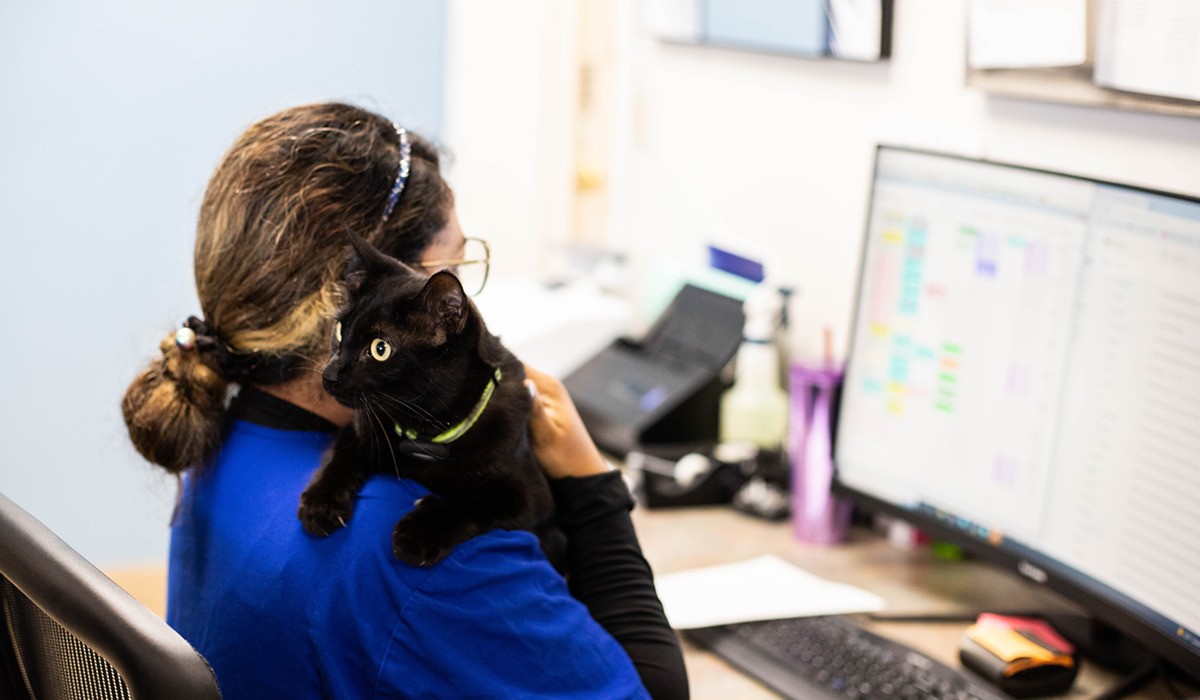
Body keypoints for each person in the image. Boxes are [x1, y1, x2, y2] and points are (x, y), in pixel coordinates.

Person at [121, 102, 688, 699]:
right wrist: (590, 486)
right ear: (383, 289)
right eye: (456, 267)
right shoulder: (418, 550)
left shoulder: (213, 445)